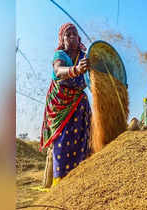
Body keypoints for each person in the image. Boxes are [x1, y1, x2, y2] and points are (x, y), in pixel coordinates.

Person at [40, 23, 92, 188]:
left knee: (84, 136)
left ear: (79, 38)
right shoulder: (60, 55)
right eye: (67, 35)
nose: (71, 37)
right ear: (62, 39)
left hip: (79, 102)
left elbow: (96, 74)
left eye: (74, 34)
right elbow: (58, 70)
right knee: (63, 141)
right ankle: (61, 183)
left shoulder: (85, 56)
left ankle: (84, 178)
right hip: (60, 103)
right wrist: (75, 69)